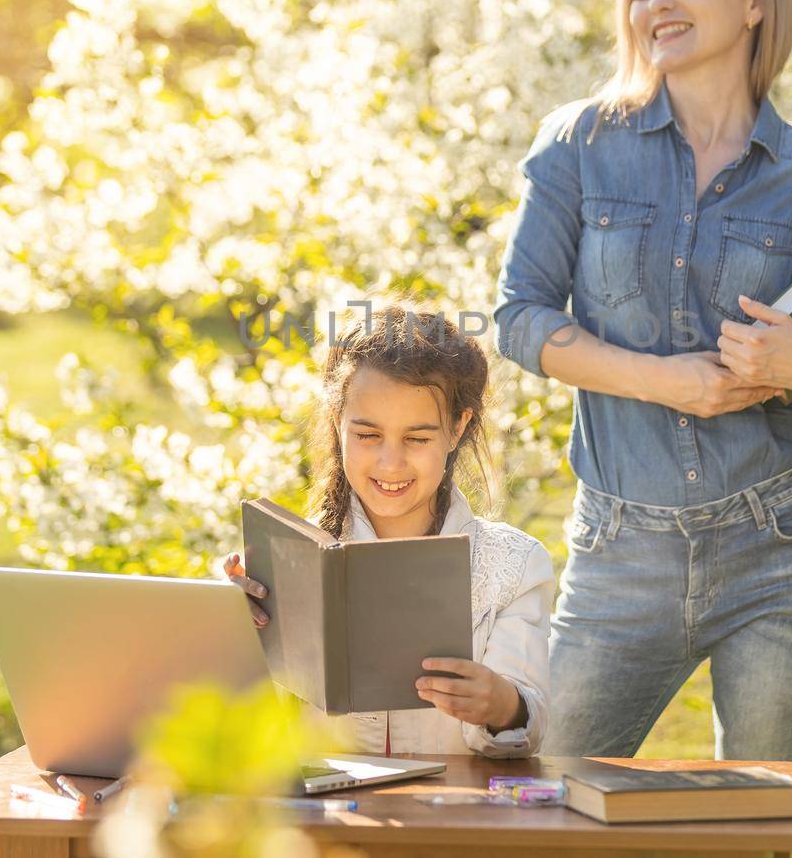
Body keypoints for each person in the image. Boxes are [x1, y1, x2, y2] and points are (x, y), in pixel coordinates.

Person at [492, 0, 792, 762]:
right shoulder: (580, 143)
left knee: (762, 827)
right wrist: (663, 378)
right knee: (544, 802)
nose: (654, 4)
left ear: (755, 0)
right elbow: (518, 317)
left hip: (783, 547)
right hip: (620, 551)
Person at [224, 302, 554, 757]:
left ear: (458, 429)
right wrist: (230, 635)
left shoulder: (514, 565)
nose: (390, 463)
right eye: (367, 435)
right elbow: (247, 736)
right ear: (337, 420)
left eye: (417, 439)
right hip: (324, 819)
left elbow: (523, 735)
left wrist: (502, 707)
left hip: (452, 817)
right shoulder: (280, 558)